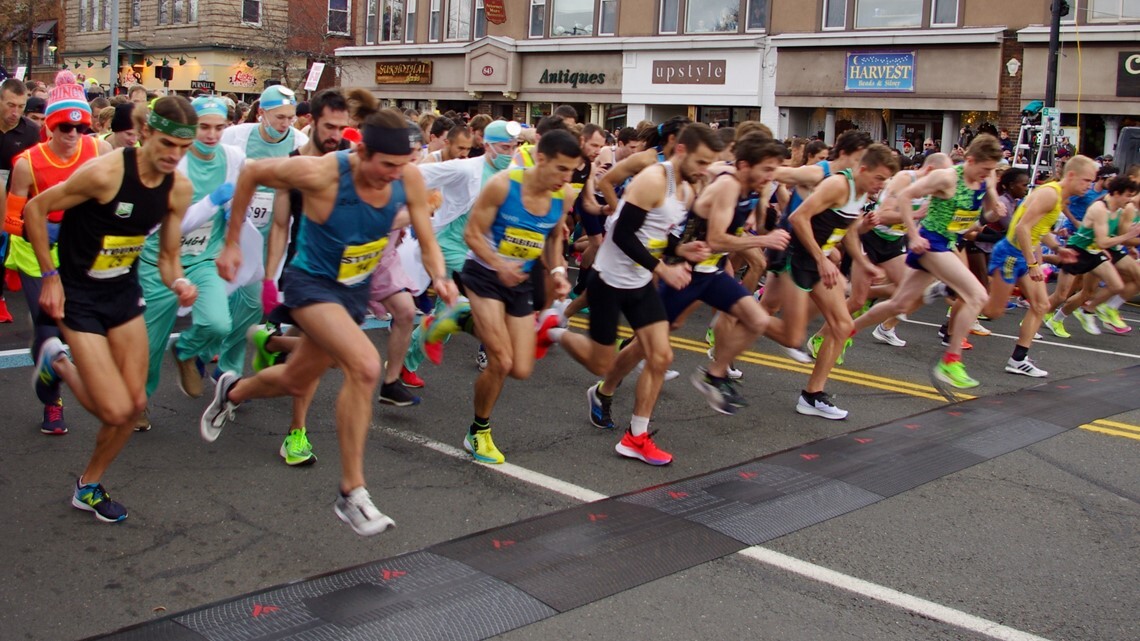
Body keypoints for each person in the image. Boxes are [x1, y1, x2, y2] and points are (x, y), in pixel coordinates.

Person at [200, 105, 456, 536]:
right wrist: (231, 243)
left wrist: (441, 277)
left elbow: (426, 238)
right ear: (363, 152)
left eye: (403, 165)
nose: (395, 174)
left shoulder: (407, 178)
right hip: (312, 284)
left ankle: (233, 391)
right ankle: (351, 492)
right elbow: (252, 173)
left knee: (296, 379)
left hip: (353, 289)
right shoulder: (321, 172)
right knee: (365, 366)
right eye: (387, 165)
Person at [27, 96, 198, 523]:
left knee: (134, 404)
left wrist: (179, 281)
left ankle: (88, 486)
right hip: (78, 295)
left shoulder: (178, 188)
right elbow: (35, 208)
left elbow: (168, 257)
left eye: (183, 148)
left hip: (122, 293)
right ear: (146, 133)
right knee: (113, 410)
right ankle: (58, 361)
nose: (174, 156)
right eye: (167, 144)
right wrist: (50, 276)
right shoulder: (106, 173)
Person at [549, 125, 723, 464]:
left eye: (710, 163)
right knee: (600, 362)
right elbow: (623, 235)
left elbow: (659, 235)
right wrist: (664, 270)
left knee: (661, 357)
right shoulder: (654, 179)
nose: (705, 170)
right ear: (681, 150)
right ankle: (552, 331)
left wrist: (681, 249)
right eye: (702, 162)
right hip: (610, 280)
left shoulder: (687, 189)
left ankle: (635, 437)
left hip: (640, 283)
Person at [456, 129, 579, 464]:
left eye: (572, 171)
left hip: (519, 281)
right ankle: (478, 431)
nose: (566, 178)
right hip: (484, 274)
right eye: (561, 168)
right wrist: (499, 265)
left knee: (522, 368)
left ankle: (462, 320)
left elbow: (552, 239)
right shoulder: (503, 185)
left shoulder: (564, 195)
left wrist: (558, 272)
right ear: (540, 158)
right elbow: (472, 234)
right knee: (501, 361)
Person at [851, 134, 1006, 391]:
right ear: (969, 160)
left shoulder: (985, 180)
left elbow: (979, 218)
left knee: (900, 303)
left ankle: (845, 329)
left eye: (992, 170)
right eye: (985, 169)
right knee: (977, 295)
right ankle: (951, 360)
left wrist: (993, 212)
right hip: (931, 242)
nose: (988, 174)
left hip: (948, 241)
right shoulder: (946, 178)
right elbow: (905, 196)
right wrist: (913, 235)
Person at [5, 73, 112, 434]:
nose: (73, 134)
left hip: (80, 251)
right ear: (50, 125)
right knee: (48, 325)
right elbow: (12, 219)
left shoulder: (99, 151)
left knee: (72, 327)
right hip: (37, 252)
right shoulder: (27, 163)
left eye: (81, 128)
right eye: (66, 126)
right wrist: (47, 227)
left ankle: (53, 366)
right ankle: (52, 402)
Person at [137, 96, 243, 430]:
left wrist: (233, 241)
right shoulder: (174, 161)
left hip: (203, 257)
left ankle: (185, 350)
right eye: (204, 127)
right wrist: (212, 201)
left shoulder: (233, 157)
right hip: (160, 258)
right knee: (150, 343)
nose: (212, 135)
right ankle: (139, 401)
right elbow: (170, 224)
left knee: (219, 324)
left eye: (219, 127)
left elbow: (243, 199)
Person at [776, 144, 898, 419]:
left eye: (886, 180)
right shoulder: (838, 185)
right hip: (797, 258)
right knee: (788, 333)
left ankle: (812, 395)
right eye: (879, 178)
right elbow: (798, 217)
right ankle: (735, 326)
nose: (882, 185)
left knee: (842, 326)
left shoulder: (862, 193)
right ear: (863, 169)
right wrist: (821, 258)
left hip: (819, 264)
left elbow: (849, 230)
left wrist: (864, 263)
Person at [213, 85, 307, 380]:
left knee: (252, 304)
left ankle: (227, 368)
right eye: (280, 117)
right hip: (232, 227)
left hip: (272, 234)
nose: (286, 123)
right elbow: (216, 169)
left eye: (290, 117)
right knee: (224, 297)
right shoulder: (236, 136)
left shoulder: (300, 141)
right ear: (262, 113)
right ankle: (208, 347)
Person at [977, 155, 1099, 376]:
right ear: (1071, 175)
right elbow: (1022, 228)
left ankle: (1018, 359)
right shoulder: (1050, 194)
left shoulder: (1059, 197)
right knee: (992, 311)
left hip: (1023, 255)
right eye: (1086, 180)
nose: (1089, 186)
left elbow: (1039, 230)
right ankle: (952, 290)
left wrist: (1058, 248)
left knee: (1041, 305)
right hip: (1010, 254)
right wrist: (1033, 264)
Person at [0, 78, 41, 325]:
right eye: (10, 105)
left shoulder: (31, 131)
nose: (15, 112)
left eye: (20, 106)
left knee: (3, 246)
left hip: (14, 199)